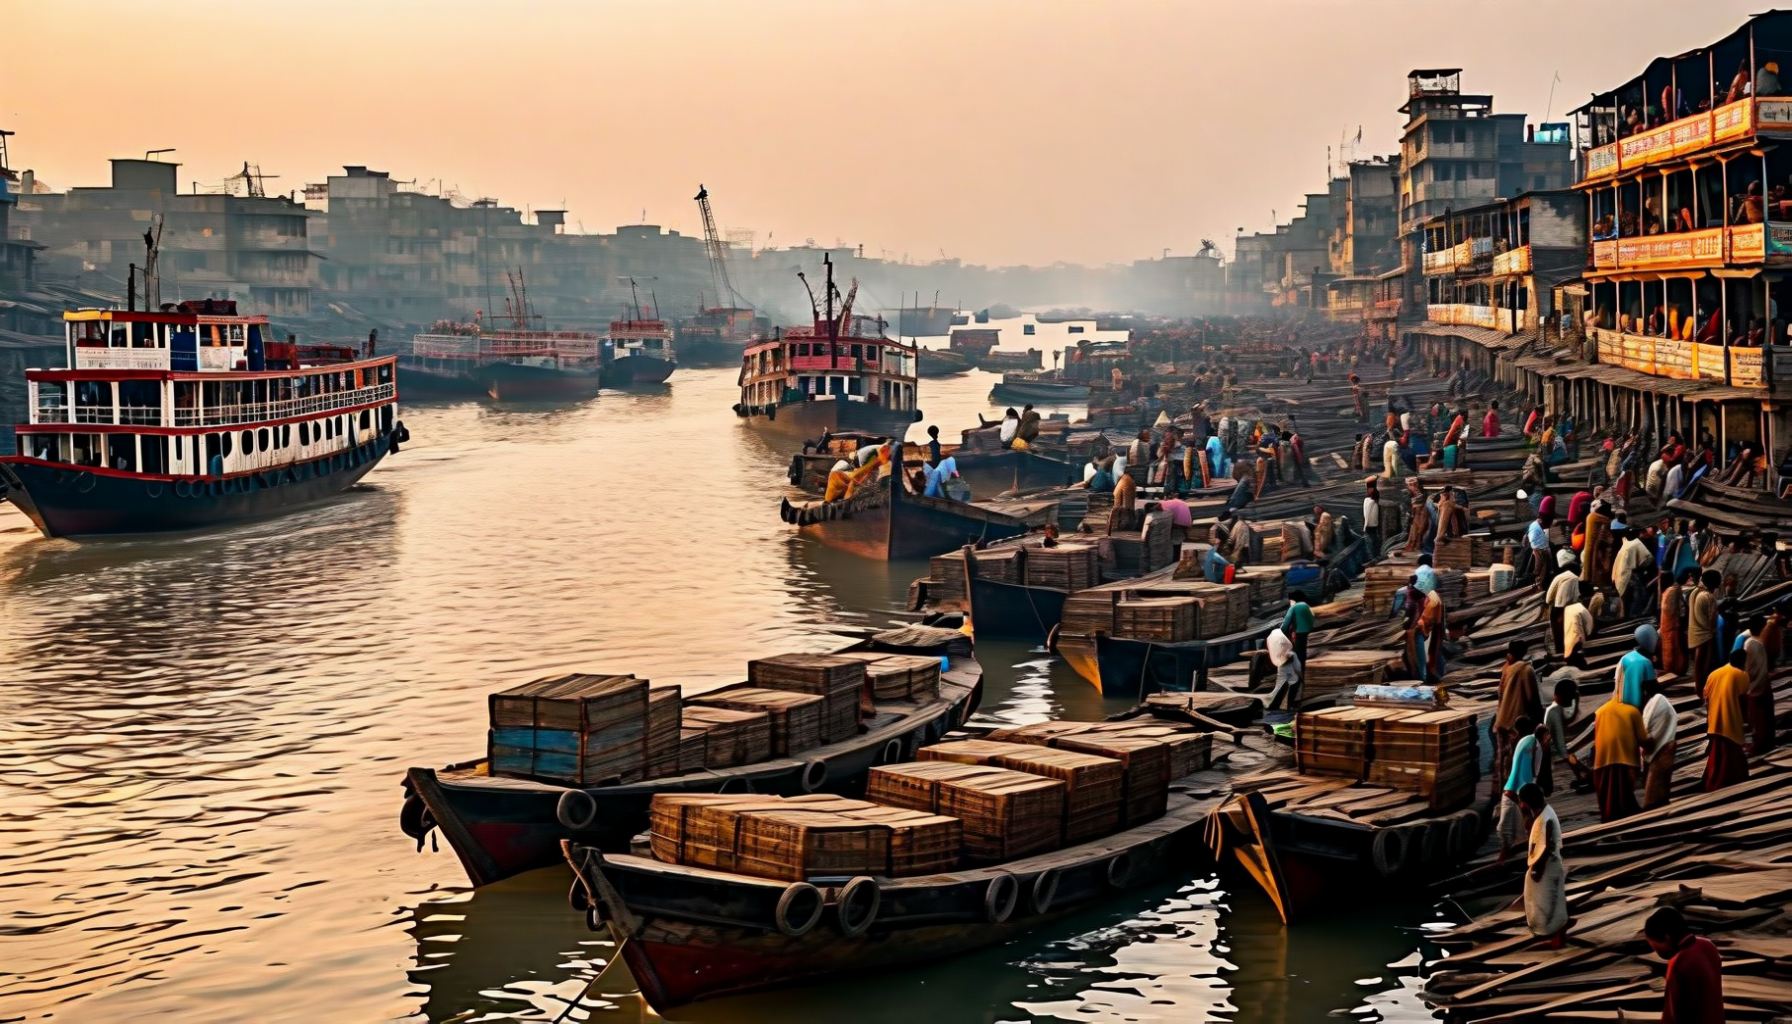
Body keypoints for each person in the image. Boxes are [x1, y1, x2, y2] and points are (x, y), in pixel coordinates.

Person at [1645, 906, 1725, 1024]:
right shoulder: (1708, 946)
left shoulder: (1679, 962)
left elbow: (1671, 1016)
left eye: (1656, 948)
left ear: (1667, 937)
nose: (1657, 953)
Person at [1520, 783, 1569, 949]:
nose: (1521, 806)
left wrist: (1537, 867)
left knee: (1549, 904)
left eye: (1522, 802)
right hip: (1550, 864)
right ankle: (1558, 936)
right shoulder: (1541, 814)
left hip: (1548, 865)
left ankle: (1557, 935)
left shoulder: (1545, 818)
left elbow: (1547, 846)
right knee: (1556, 902)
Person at [1494, 639, 1544, 786]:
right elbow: (1532, 699)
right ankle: (1516, 794)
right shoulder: (1525, 670)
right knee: (1516, 760)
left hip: (1502, 721)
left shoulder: (1506, 669)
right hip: (1517, 723)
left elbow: (1500, 694)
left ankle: (1504, 793)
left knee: (1504, 759)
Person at [1592, 688, 1645, 821]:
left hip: (1602, 760)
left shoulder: (1599, 712)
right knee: (1624, 795)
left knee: (1608, 795)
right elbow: (1644, 739)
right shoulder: (1633, 711)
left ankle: (1609, 817)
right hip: (1625, 759)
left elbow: (1597, 738)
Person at [1703, 646, 1751, 791]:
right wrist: (1747, 720)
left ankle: (1712, 781)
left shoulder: (1714, 674)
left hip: (1714, 720)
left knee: (1717, 756)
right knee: (1731, 757)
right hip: (1730, 720)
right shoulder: (1741, 675)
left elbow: (1705, 696)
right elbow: (1744, 699)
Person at [1497, 717, 1544, 860]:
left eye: (1515, 732)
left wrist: (1522, 801)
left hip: (1515, 796)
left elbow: (1524, 776)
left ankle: (1505, 862)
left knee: (1506, 833)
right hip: (1516, 795)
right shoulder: (1528, 745)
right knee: (1516, 834)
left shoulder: (1526, 745)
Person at [1739, 613, 1774, 753]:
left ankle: (1759, 744)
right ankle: (1765, 742)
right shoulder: (1757, 643)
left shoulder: (1750, 643)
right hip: (1761, 684)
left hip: (1754, 686)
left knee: (1757, 718)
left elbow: (1747, 666)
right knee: (1764, 717)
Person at [1543, 677, 1587, 792]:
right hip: (1550, 753)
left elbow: (1568, 720)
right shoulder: (1554, 713)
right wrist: (1578, 766)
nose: (1571, 701)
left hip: (1554, 748)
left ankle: (1582, 776)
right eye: (1571, 697)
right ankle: (1582, 777)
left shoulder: (1556, 708)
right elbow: (1560, 744)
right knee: (1570, 754)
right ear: (1564, 696)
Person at [1642, 677, 1677, 810]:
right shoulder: (1659, 700)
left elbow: (1646, 727)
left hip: (1661, 747)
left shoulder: (1656, 701)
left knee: (1654, 789)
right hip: (1666, 744)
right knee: (1661, 784)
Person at [1615, 625, 1659, 710]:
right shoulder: (1645, 662)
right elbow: (1655, 692)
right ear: (1652, 641)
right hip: (1637, 710)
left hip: (1620, 705)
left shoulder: (1625, 657)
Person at [1688, 569, 1720, 682]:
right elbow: (1712, 619)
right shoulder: (1708, 597)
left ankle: (1699, 685)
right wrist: (1714, 631)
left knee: (1699, 663)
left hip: (1696, 632)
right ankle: (1702, 687)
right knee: (1706, 664)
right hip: (1705, 634)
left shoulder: (1695, 592)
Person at [1546, 551, 1580, 654]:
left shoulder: (1559, 577)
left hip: (1557, 611)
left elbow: (1548, 598)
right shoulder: (1576, 579)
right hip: (1570, 611)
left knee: (1558, 638)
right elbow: (1577, 598)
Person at [1264, 627, 1302, 712]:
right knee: (1290, 683)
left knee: (1282, 685)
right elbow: (1298, 668)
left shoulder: (1282, 650)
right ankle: (1285, 705)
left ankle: (1282, 705)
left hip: (1283, 668)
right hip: (1286, 670)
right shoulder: (1291, 653)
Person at [1563, 580, 1595, 665]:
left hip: (1567, 643)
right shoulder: (1581, 608)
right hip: (1578, 643)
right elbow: (1589, 627)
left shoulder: (1567, 608)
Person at [1282, 592, 1315, 670]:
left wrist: (1282, 631)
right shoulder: (1307, 606)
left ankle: (1300, 674)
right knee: (1306, 653)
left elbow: (1287, 621)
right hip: (1310, 632)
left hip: (1300, 633)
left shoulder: (1293, 608)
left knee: (1299, 655)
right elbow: (1313, 617)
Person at [1109, 465, 1138, 534]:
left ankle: (1118, 525)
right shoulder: (1127, 479)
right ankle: (1123, 525)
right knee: (1125, 509)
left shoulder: (1125, 478)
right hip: (1120, 503)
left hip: (1117, 502)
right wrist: (1126, 507)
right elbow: (1126, 498)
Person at [1362, 480, 1382, 552]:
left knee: (1373, 543)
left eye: (1369, 488)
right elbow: (1366, 515)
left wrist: (1365, 527)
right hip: (1370, 526)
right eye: (1367, 488)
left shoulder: (1374, 501)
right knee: (1372, 543)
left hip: (1373, 525)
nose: (1367, 490)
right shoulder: (1367, 500)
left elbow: (1368, 515)